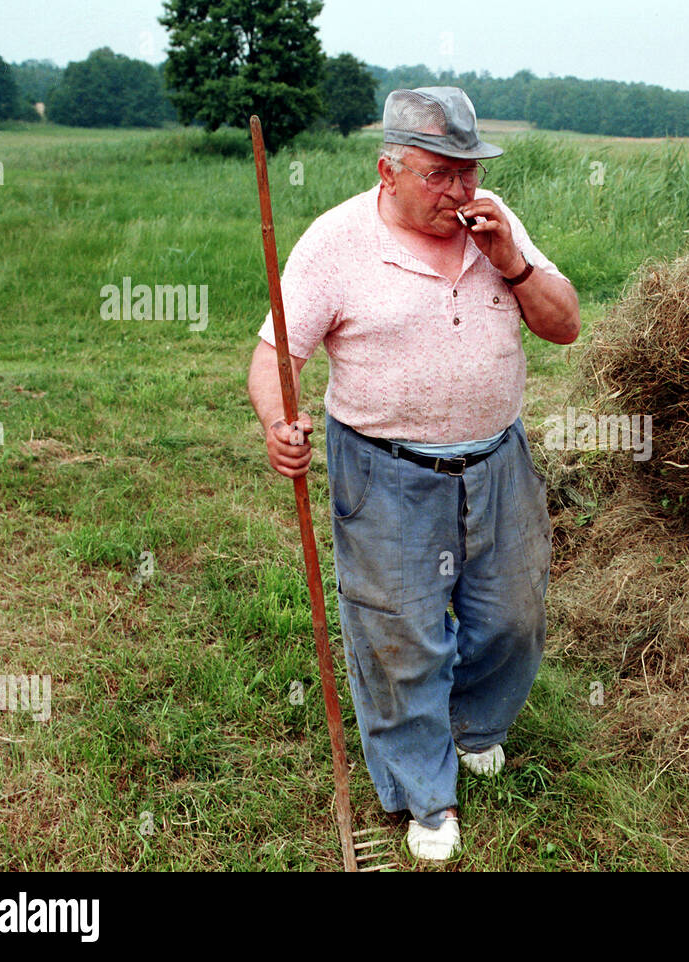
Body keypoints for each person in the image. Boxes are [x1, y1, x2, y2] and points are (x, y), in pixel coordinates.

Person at [246, 87, 580, 861]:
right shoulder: (335, 244)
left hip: (498, 460)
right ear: (387, 170)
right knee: (400, 637)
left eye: (469, 172)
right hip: (385, 471)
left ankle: (473, 725)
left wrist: (515, 262)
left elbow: (565, 326)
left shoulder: (495, 225)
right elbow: (276, 358)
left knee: (512, 617)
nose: (461, 193)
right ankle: (424, 794)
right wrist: (277, 423)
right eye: (440, 174)